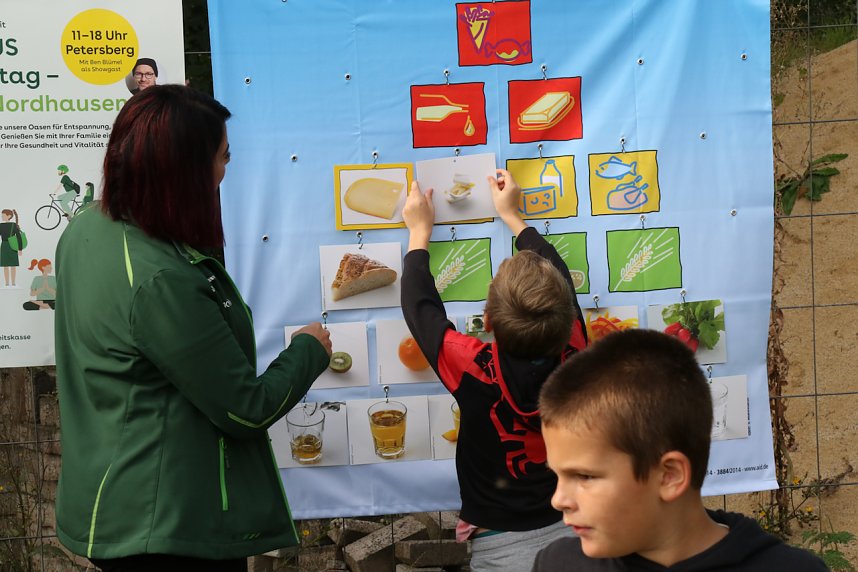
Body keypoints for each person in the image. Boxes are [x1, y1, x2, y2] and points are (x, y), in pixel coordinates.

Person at [54, 85, 332, 572]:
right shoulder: (161, 280)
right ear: (183, 172)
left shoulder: (87, 229)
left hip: (113, 496)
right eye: (223, 157)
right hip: (166, 526)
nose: (227, 170)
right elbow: (245, 409)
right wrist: (308, 349)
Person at [401, 170, 587, 571]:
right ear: (564, 319)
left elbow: (420, 309)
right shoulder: (575, 349)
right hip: (576, 530)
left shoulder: (473, 365)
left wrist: (419, 233)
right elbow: (562, 284)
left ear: (486, 321)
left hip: (500, 546)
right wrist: (515, 218)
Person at [533, 329, 828, 571]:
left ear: (669, 476)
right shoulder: (558, 564)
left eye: (584, 476)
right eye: (557, 474)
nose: (559, 500)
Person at [0, 208, 22, 287]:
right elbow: (18, 237)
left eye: (3, 215)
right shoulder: (2, 225)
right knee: (6, 266)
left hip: (10, 246)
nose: (2, 217)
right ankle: (7, 283)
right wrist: (19, 249)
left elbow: (19, 237)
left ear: (9, 216)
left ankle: (12, 282)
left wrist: (20, 249)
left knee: (12, 266)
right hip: (8, 245)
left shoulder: (13, 225)